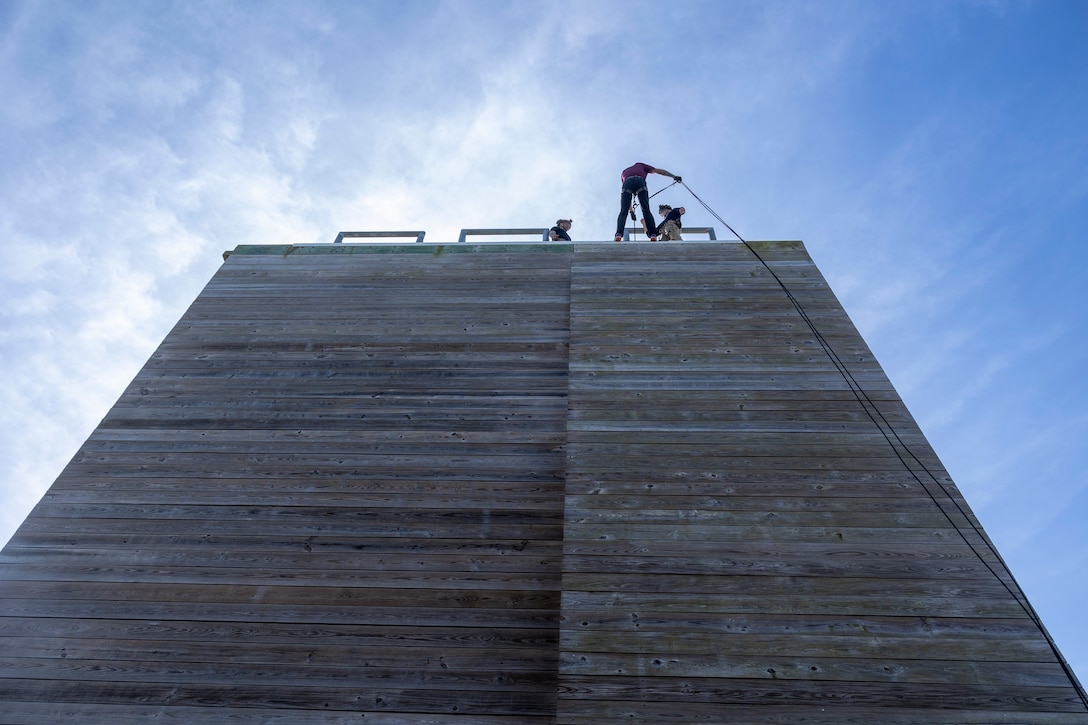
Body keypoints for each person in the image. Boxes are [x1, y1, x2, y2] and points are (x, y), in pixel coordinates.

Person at [615, 162, 681, 242]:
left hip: (627, 183)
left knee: (623, 211)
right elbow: (659, 171)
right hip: (640, 181)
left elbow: (627, 202)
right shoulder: (641, 165)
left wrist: (631, 212)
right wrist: (674, 176)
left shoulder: (624, 172)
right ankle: (653, 234)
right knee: (646, 210)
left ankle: (618, 234)